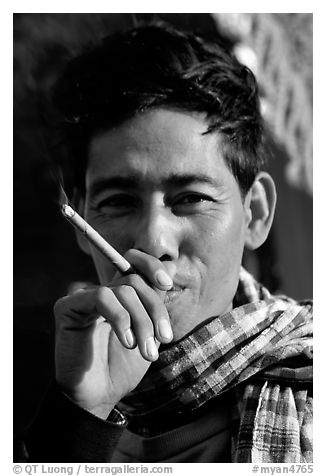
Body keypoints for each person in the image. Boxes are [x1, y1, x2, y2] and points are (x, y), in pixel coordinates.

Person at [20, 21, 312, 463]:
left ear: (255, 214)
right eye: (118, 201)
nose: (154, 241)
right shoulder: (43, 404)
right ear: (81, 223)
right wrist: (81, 417)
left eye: (191, 198)